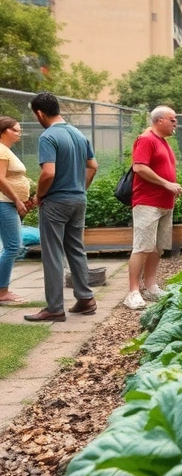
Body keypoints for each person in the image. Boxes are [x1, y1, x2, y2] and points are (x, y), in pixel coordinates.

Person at [24, 93, 99, 322]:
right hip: (78, 200)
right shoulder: (78, 133)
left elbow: (48, 172)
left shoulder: (48, 136)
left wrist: (39, 195)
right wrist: (80, 189)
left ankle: (55, 308)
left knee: (53, 254)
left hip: (56, 202)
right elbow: (92, 166)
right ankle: (86, 299)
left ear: (39, 113)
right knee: (76, 249)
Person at [123, 106, 182, 310]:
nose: (175, 123)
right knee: (142, 247)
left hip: (165, 203)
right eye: (172, 119)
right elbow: (139, 167)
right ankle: (133, 292)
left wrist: (171, 187)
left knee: (156, 248)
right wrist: (166, 184)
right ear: (159, 121)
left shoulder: (162, 142)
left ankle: (150, 286)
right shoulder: (146, 139)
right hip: (147, 202)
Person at [0, 117, 33, 304]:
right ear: (4, 131)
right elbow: (1, 179)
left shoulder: (7, 151)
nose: (19, 133)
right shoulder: (1, 150)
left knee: (11, 246)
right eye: (15, 130)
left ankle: (2, 289)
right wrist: (16, 199)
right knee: (13, 246)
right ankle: (2, 291)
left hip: (9, 203)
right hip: (4, 202)